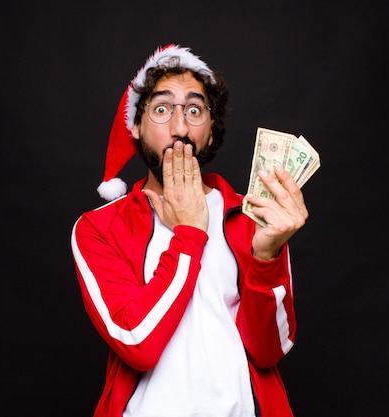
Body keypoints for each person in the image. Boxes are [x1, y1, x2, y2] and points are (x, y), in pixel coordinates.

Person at [71, 44, 308, 417]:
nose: (180, 128)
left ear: (211, 131)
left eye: (194, 110)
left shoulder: (253, 215)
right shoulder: (98, 228)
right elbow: (138, 343)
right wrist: (190, 235)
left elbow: (269, 351)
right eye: (162, 109)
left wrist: (266, 257)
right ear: (135, 124)